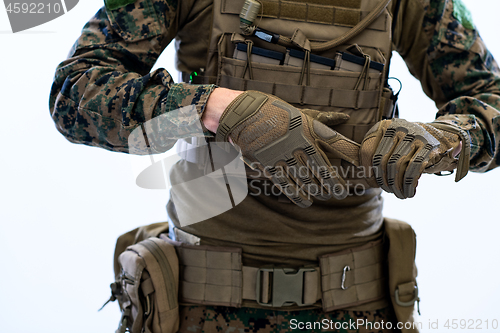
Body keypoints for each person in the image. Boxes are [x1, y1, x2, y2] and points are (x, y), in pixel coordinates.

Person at [49, 0, 500, 332]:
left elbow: (491, 100)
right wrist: (217, 108)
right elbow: (75, 91)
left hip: (358, 308)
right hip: (198, 307)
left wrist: (448, 139)